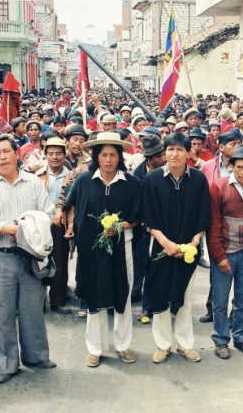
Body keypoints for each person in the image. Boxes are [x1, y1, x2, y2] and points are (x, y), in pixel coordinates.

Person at [0, 134, 57, 384]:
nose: (2, 157)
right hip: (0, 258)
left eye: (6, 152)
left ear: (16, 153)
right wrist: (16, 230)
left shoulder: (33, 183)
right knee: (2, 312)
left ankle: (37, 356)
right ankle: (6, 364)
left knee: (32, 309)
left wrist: (26, 232)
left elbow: (47, 212)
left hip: (30, 256)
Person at [66, 132, 139, 367]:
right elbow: (71, 205)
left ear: (120, 157)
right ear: (96, 157)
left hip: (122, 245)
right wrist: (70, 227)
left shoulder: (131, 183)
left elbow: (137, 217)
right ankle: (95, 348)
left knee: (123, 294)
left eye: (113, 155)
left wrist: (120, 226)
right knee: (94, 295)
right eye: (104, 155)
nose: (108, 160)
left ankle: (123, 345)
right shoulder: (84, 181)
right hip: (90, 248)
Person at [139, 132, 210, 364]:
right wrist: (166, 243)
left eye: (180, 149)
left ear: (189, 153)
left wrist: (195, 241)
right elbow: (147, 217)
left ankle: (185, 344)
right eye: (170, 149)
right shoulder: (152, 179)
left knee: (185, 297)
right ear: (164, 153)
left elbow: (203, 215)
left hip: (189, 249)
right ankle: (163, 344)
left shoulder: (198, 180)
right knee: (160, 294)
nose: (174, 154)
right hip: (161, 246)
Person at [207, 144, 243, 360]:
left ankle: (241, 337)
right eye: (239, 167)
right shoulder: (219, 187)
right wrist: (219, 256)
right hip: (225, 250)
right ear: (232, 166)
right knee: (220, 299)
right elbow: (212, 225)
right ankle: (221, 340)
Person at [35, 138, 73, 315]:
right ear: (45, 155)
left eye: (58, 153)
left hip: (61, 224)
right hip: (40, 223)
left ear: (65, 155)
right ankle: (38, 301)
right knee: (39, 261)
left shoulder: (72, 176)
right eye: (50, 154)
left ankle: (58, 299)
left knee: (60, 261)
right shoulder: (37, 174)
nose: (55, 157)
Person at [132, 135, 166, 324]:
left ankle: (152, 305)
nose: (164, 158)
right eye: (159, 156)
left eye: (164, 154)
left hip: (162, 228)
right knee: (141, 267)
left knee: (157, 268)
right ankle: (142, 301)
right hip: (141, 229)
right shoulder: (137, 176)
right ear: (149, 158)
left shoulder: (167, 173)